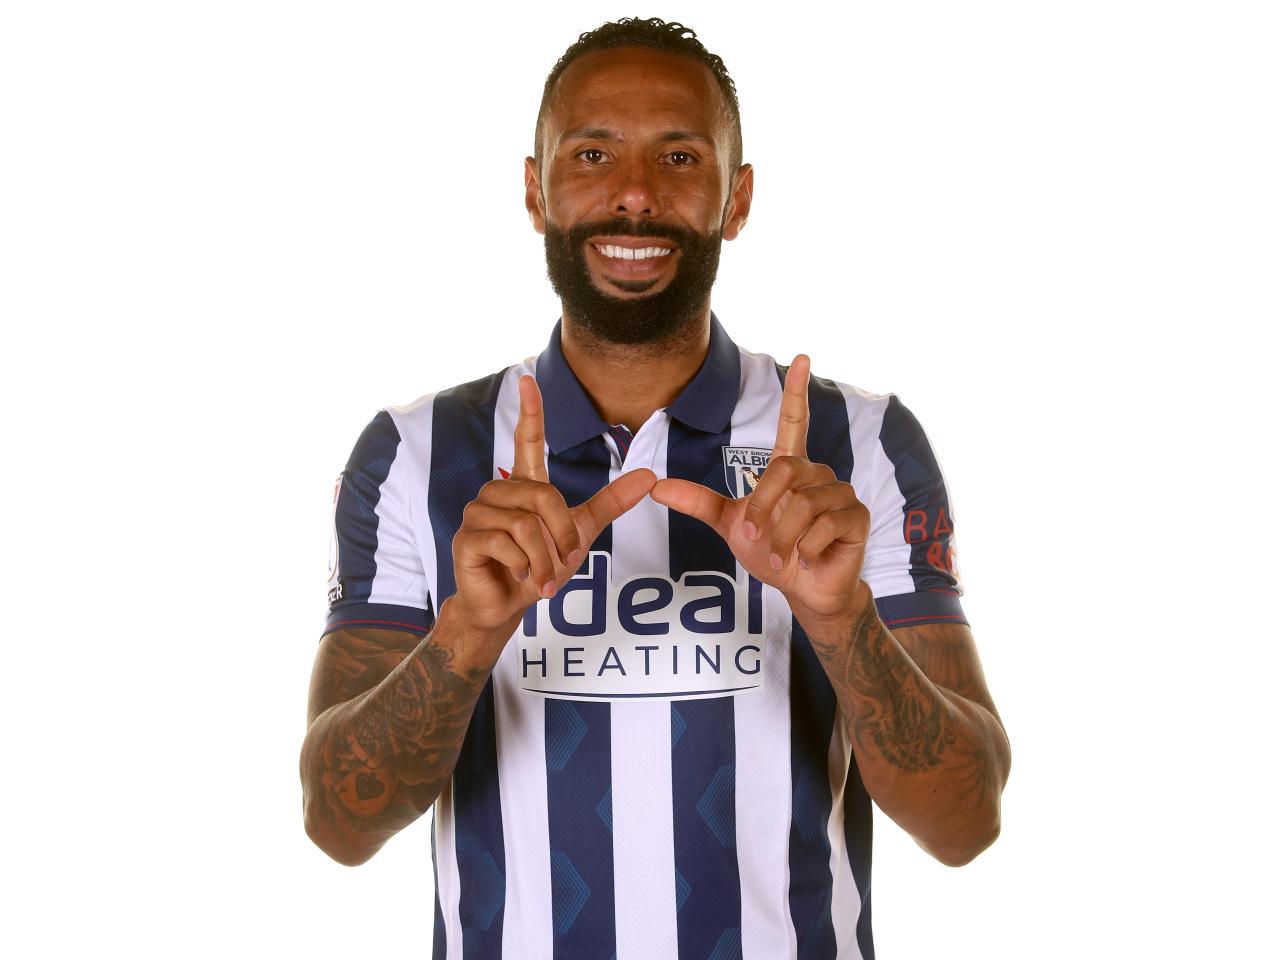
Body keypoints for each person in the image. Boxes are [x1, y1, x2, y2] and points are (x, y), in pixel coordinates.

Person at [300, 16, 1011, 960]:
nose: (634, 195)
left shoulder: (863, 442)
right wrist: (469, 631)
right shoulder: (414, 451)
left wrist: (841, 622)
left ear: (737, 196)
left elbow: (966, 824)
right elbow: (337, 823)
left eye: (679, 156)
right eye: (592, 153)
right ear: (534, 189)